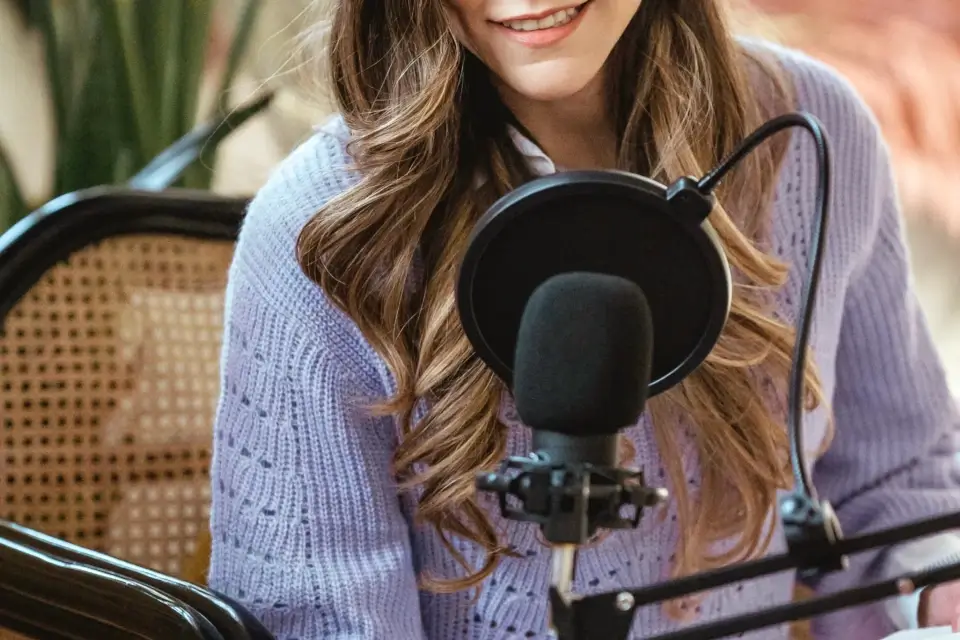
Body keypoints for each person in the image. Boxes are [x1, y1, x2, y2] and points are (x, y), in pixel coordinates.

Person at [207, 1, 960, 638]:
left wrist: (935, 591)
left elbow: (894, 486)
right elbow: (322, 617)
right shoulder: (320, 232)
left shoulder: (810, 133)